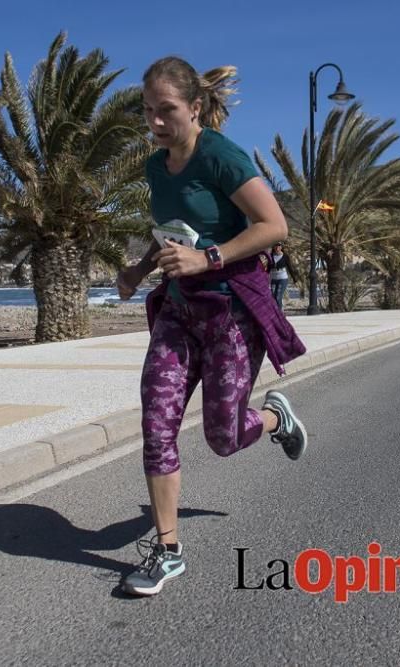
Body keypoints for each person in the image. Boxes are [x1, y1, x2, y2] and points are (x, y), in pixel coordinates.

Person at [115, 56, 308, 597]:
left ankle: (274, 418)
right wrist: (138, 268)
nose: (154, 122)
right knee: (157, 423)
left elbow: (275, 226)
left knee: (224, 437)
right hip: (178, 312)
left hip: (229, 315)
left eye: (166, 110)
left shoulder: (221, 156)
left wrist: (210, 260)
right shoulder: (157, 166)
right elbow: (169, 232)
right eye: (147, 111)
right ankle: (167, 549)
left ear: (195, 107)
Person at [268, 242, 296, 310]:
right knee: (273, 297)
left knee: (278, 296)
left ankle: (279, 313)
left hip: (282, 278)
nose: (277, 247)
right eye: (276, 246)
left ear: (281, 247)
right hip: (273, 279)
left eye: (279, 246)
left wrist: (294, 279)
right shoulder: (271, 256)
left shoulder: (285, 256)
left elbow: (290, 268)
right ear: (274, 247)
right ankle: (276, 312)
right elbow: (268, 268)